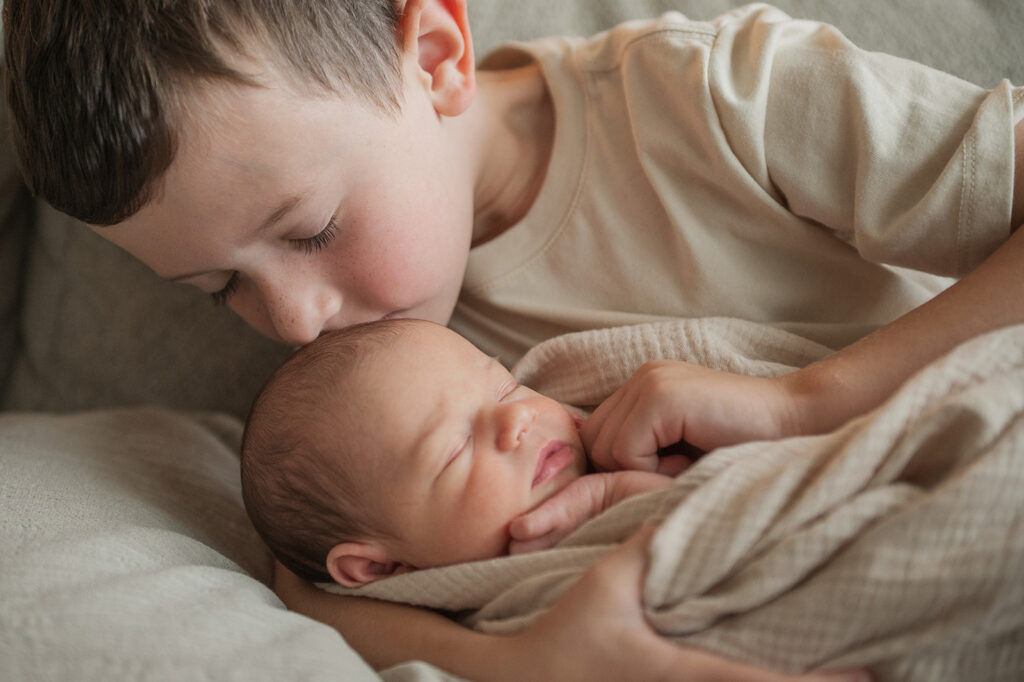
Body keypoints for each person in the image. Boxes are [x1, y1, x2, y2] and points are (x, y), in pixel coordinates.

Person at [7, 0, 1021, 677]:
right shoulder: (366, 382)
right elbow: (309, 580)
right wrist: (534, 663)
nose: (294, 321)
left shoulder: (715, 98)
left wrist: (815, 400)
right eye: (217, 286)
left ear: (438, 58)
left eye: (312, 230)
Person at [240, 317, 682, 587]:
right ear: (378, 568)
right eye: (455, 450)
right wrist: (628, 497)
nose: (517, 419)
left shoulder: (615, 412)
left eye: (506, 387)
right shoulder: (490, 618)